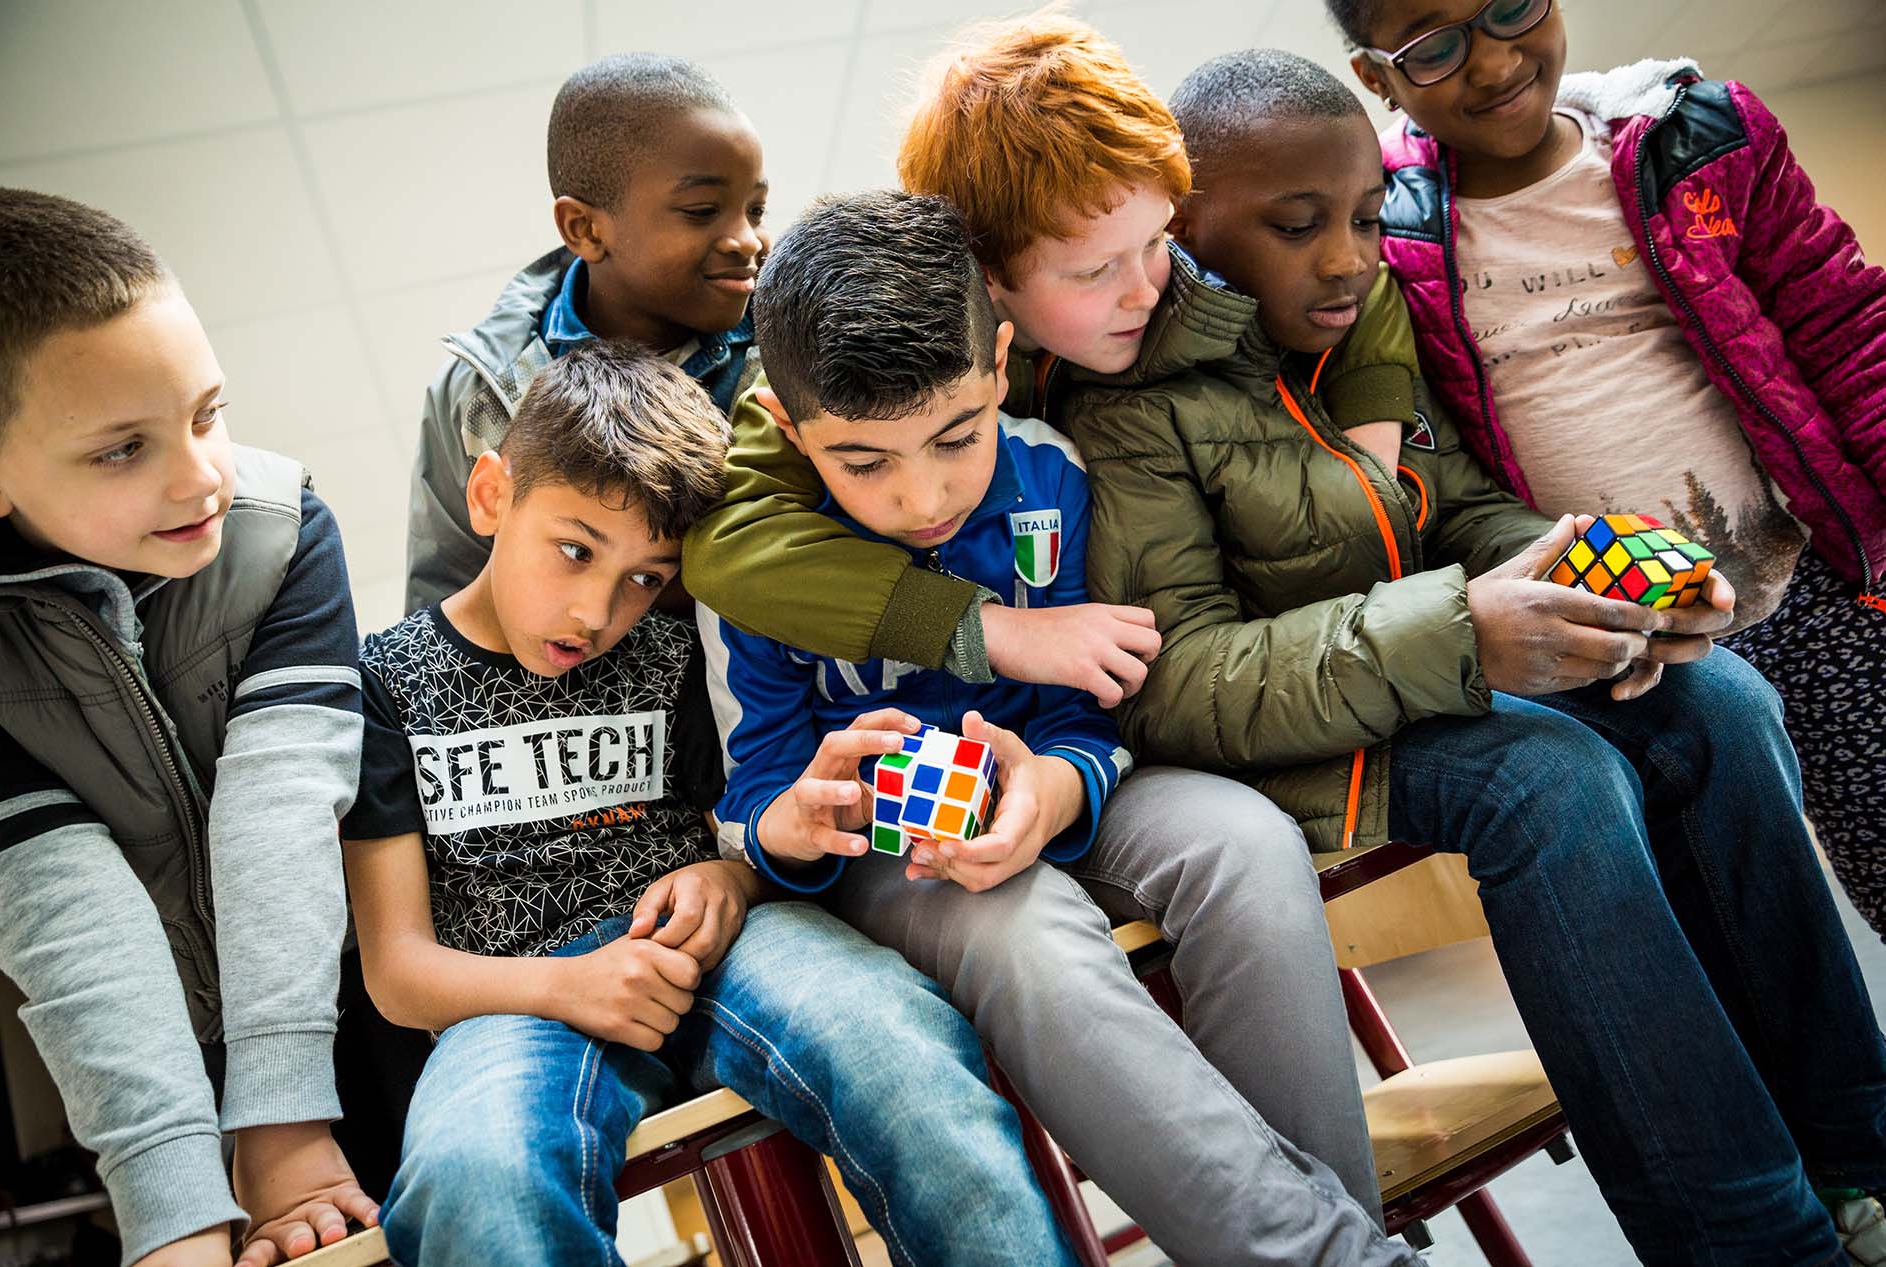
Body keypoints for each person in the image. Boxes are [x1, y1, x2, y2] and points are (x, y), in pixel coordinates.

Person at [1067, 47, 1886, 1267]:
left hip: (1412, 670)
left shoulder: (1358, 325)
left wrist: (1590, 572)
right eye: (1296, 227)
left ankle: (1860, 1163)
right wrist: (1461, 628)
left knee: (1717, 697)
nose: (1346, 256)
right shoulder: (1129, 403)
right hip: (1267, 745)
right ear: (1182, 228)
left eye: (1357, 215)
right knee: (1547, 781)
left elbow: (1457, 513)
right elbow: (1183, 680)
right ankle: (1749, 1238)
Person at [703, 188, 1423, 1267]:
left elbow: (1095, 713)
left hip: (1069, 784)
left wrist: (1053, 782)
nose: (922, 496)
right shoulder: (759, 561)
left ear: (998, 365)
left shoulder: (1054, 474)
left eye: (957, 435)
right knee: (1025, 931)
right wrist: (791, 826)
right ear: (792, 430)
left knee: (1241, 839)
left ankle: (1332, 1243)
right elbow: (754, 793)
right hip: (895, 857)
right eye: (863, 463)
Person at [343, 339, 1078, 1266]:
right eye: (573, 551)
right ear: (492, 496)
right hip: (514, 997)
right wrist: (566, 984)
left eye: (644, 577)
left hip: (731, 951)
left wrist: (731, 879)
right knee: (472, 1175)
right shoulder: (383, 684)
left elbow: (747, 828)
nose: (595, 610)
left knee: (899, 1049)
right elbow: (398, 970)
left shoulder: (676, 649)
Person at [1330, 0, 1886, 945]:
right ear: (1376, 81)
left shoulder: (1697, 141)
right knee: (1735, 934)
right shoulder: (1386, 229)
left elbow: (1847, 330)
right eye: (1435, 48)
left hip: (1808, 596)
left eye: (1510, 8)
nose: (1495, 60)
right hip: (1620, 660)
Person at [679, 13, 1421, 707]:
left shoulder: (1142, 245)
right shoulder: (864, 359)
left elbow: (1358, 273)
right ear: (986, 269)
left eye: (1157, 241)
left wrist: (1371, 437)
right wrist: (988, 629)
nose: (1145, 291)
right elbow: (730, 548)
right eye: (1093, 272)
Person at [0, 188, 375, 1267]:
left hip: (347, 1020)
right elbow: (67, 917)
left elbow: (279, 815)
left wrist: (287, 1124)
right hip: (141, 1080)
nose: (200, 475)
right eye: (122, 450)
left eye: (207, 412)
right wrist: (173, 1213)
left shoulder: (281, 530)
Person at [405, 52, 765, 612]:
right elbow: (444, 602)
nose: (747, 240)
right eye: (702, 211)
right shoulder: (479, 390)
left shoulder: (788, 359)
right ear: (585, 228)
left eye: (756, 209)